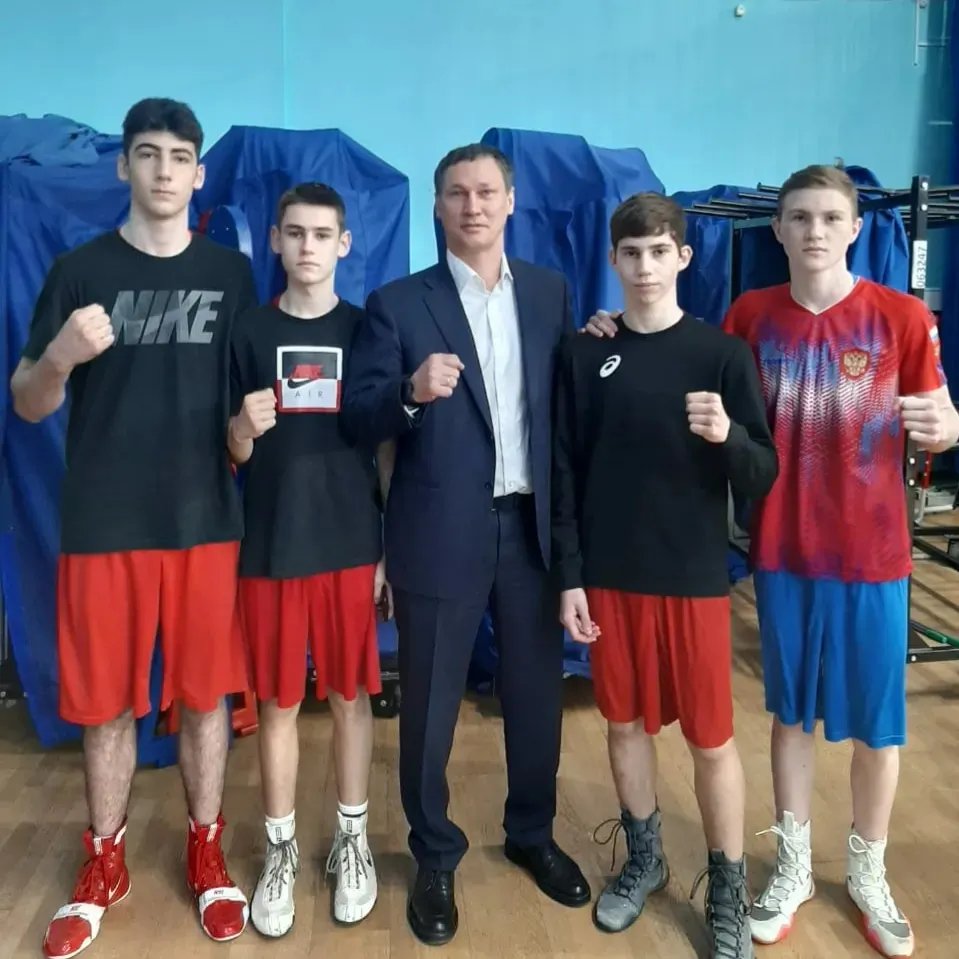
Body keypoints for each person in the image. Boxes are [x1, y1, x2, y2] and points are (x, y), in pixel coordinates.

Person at [587, 165, 959, 959]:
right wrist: (610, 329)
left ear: (854, 227)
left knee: (876, 727)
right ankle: (791, 864)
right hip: (783, 551)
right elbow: (680, 365)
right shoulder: (748, 319)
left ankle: (867, 868)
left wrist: (946, 426)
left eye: (828, 216)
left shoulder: (900, 315)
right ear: (779, 230)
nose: (813, 229)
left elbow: (940, 415)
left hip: (874, 554)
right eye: (798, 217)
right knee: (789, 717)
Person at [10, 98, 257, 957]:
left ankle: (205, 850)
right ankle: (104, 861)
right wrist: (60, 356)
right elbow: (28, 400)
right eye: (147, 153)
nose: (162, 170)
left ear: (198, 173)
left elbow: (243, 413)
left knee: (205, 697)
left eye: (178, 156)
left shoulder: (230, 275)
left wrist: (248, 433)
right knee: (107, 704)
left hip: (204, 521)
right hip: (104, 524)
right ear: (123, 166)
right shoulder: (79, 271)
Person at [342, 143, 590, 946]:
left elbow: (564, 414)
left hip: (528, 527)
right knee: (429, 703)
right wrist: (410, 394)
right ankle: (434, 852)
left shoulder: (550, 294)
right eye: (456, 193)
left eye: (486, 191)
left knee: (535, 694)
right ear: (437, 206)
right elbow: (360, 416)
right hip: (437, 527)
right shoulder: (396, 303)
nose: (472, 205)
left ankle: (530, 832)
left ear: (510, 201)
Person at [553, 193, 777, 959]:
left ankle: (726, 886)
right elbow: (563, 470)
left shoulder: (720, 355)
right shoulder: (586, 353)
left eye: (658, 252)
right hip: (610, 576)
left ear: (682, 256)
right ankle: (645, 858)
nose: (644, 267)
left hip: (692, 577)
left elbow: (762, 471)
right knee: (622, 725)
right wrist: (569, 575)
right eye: (631, 253)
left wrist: (728, 436)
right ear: (612, 260)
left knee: (711, 738)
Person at [227, 182, 394, 936]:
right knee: (278, 703)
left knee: (352, 696)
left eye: (321, 235)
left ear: (344, 244)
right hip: (272, 544)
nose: (307, 247)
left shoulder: (365, 330)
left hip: (351, 543)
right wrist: (241, 428)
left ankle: (351, 842)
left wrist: (387, 545)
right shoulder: (249, 330)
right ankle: (281, 851)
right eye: (294, 233)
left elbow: (384, 443)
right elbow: (229, 451)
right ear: (275, 240)